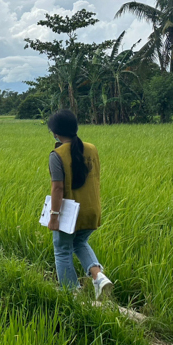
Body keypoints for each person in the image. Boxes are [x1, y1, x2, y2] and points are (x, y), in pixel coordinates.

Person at [47, 109, 113, 300]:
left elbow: (58, 189)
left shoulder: (57, 155)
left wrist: (53, 217)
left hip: (70, 214)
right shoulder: (91, 149)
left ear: (55, 132)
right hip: (92, 210)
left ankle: (71, 294)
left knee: (62, 250)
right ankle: (99, 277)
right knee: (80, 241)